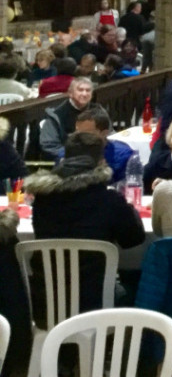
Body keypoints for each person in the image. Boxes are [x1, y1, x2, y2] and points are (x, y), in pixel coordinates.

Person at [24, 132, 146, 311]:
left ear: (65, 158)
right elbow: (133, 239)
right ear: (101, 162)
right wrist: (128, 209)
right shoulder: (108, 199)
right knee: (136, 283)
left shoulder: (42, 199)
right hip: (95, 302)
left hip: (46, 302)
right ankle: (120, 338)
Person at [68, 106, 133, 182]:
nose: (79, 138)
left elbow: (129, 187)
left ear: (104, 133)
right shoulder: (67, 153)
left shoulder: (123, 155)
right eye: (77, 133)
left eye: (86, 134)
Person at [38, 76, 94, 158]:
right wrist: (76, 155)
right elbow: (49, 145)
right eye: (80, 90)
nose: (84, 94)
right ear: (70, 93)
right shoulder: (56, 115)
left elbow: (109, 134)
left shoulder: (97, 110)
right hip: (68, 160)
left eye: (88, 90)